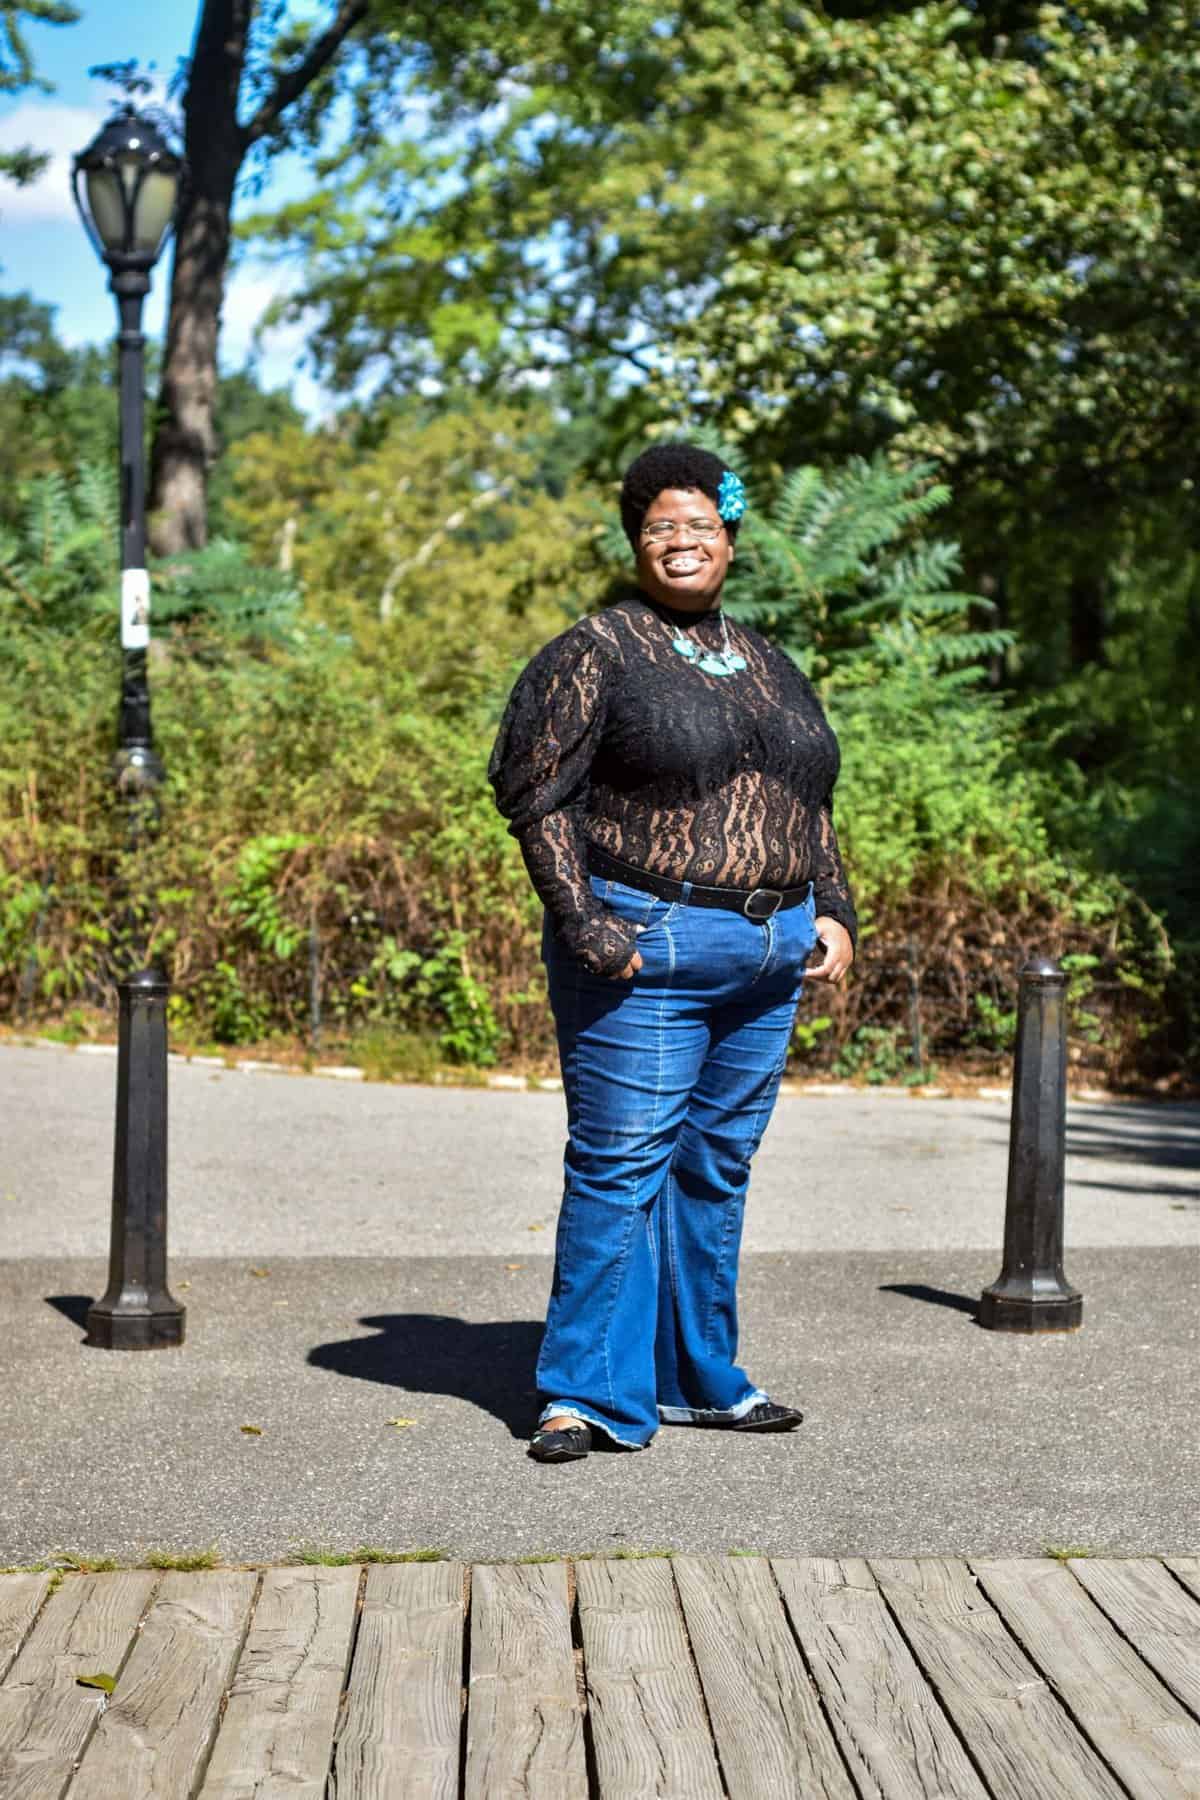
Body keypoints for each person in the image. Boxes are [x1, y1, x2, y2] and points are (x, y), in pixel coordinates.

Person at [488, 442, 856, 1464]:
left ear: (730, 538)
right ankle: (584, 1395)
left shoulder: (769, 661)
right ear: (636, 542)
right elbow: (535, 795)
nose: (681, 540)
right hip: (648, 940)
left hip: (771, 953)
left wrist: (834, 909)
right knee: (621, 1167)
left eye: (699, 523)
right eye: (660, 526)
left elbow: (808, 800)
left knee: (714, 1168)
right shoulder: (597, 650)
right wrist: (585, 923)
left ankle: (701, 1379)